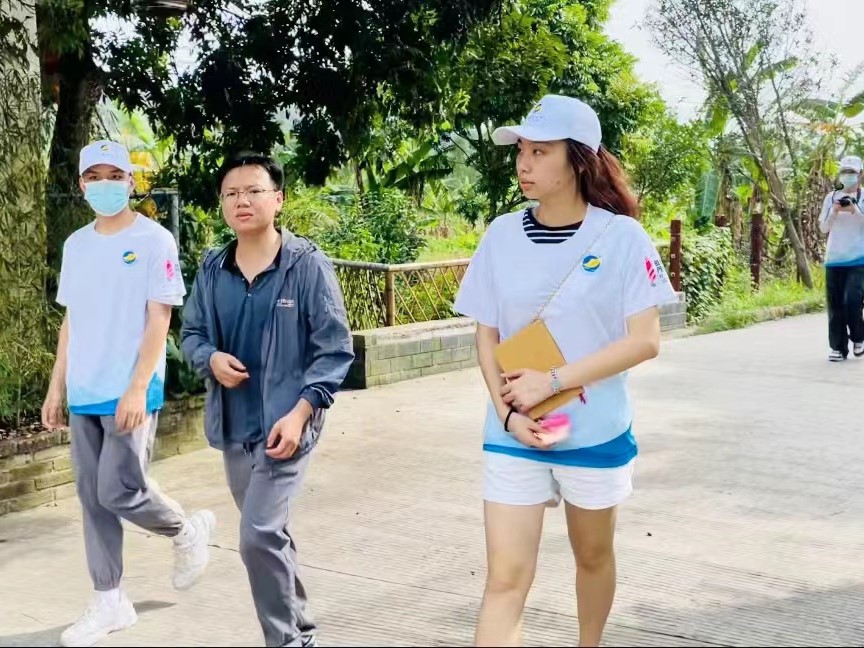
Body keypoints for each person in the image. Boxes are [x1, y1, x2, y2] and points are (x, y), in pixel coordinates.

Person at [453, 95, 677, 647]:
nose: (523, 164)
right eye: (521, 151)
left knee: (593, 556)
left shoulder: (621, 237)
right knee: (504, 579)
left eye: (540, 151)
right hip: (513, 432)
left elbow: (645, 341)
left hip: (593, 431)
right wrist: (508, 414)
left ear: (577, 159)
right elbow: (486, 333)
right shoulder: (501, 234)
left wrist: (553, 381)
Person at [41, 140, 215, 648]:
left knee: (118, 489)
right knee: (91, 498)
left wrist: (138, 387)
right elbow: (72, 320)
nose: (104, 184)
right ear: (81, 185)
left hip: (130, 387)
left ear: (131, 181)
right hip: (84, 388)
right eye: (93, 176)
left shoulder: (154, 239)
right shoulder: (76, 245)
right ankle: (109, 600)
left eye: (114, 175)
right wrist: (56, 385)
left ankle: (184, 530)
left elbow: (160, 317)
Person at [180, 153, 354, 647]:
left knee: (257, 534)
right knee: (268, 535)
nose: (242, 201)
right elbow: (191, 334)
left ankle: (285, 641)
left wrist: (302, 413)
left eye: (254, 191)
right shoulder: (213, 268)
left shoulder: (306, 265)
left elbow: (334, 349)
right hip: (234, 424)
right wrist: (211, 358)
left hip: (287, 425)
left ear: (278, 199)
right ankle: (302, 630)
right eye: (232, 193)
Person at [818, 155, 864, 362]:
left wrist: (855, 210)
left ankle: (859, 337)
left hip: (858, 259)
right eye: (845, 171)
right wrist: (834, 211)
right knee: (835, 305)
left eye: (852, 172)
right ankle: (837, 347)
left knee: (852, 301)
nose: (848, 175)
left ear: (860, 174)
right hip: (834, 259)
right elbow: (823, 228)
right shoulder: (831, 197)